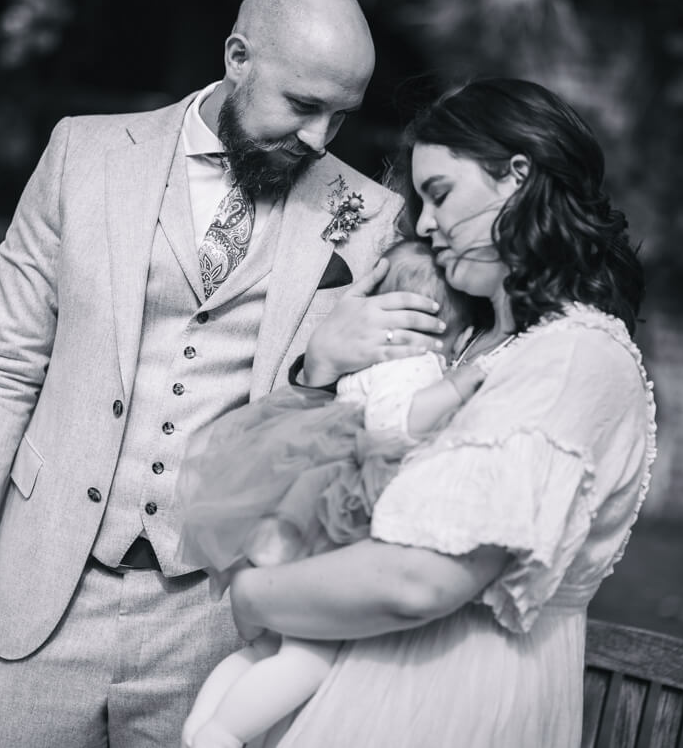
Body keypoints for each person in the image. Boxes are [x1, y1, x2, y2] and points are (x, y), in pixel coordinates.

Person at [0, 0, 448, 747]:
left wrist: (319, 370)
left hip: (220, 613)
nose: (318, 138)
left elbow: (371, 427)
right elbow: (1, 362)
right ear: (238, 57)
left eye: (340, 117)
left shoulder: (371, 219)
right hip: (48, 580)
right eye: (302, 105)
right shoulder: (84, 155)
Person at [225, 78, 656, 747]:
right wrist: (322, 370)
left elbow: (417, 581)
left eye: (440, 193)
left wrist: (254, 595)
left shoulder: (573, 357)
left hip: (452, 707)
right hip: (358, 687)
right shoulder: (471, 344)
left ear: (517, 177)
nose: (424, 225)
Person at [177, 239, 484, 748]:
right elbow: (393, 423)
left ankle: (200, 727)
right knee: (310, 658)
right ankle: (223, 735)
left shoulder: (362, 362)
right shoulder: (418, 369)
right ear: (462, 334)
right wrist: (456, 388)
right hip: (336, 524)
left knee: (267, 650)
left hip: (302, 511)